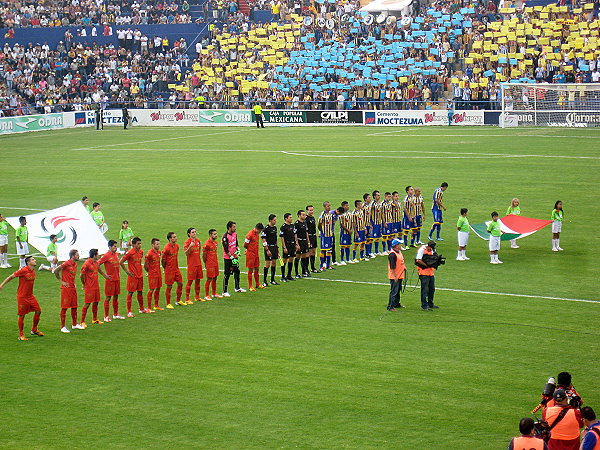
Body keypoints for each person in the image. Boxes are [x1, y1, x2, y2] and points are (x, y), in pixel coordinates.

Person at [0, 255, 44, 340]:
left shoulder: (33, 271)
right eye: (33, 260)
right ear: (28, 262)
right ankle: (21, 335)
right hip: (22, 297)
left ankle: (34, 330)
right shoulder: (23, 270)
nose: (35, 260)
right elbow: (11, 277)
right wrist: (1, 285)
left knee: (38, 311)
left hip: (30, 296)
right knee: (22, 315)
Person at [54, 249, 85, 333]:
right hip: (66, 289)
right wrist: (61, 281)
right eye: (77, 255)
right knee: (64, 307)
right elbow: (56, 270)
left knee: (74, 306)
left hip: (72, 288)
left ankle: (74, 324)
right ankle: (62, 326)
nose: (79, 256)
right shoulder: (66, 263)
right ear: (73, 256)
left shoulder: (75, 264)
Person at [120, 237, 150, 317]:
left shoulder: (141, 252)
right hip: (133, 276)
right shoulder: (129, 253)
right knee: (130, 293)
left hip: (140, 275)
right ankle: (129, 311)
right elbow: (121, 262)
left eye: (140, 243)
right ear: (133, 244)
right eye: (138, 244)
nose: (140, 245)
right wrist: (127, 272)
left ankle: (141, 309)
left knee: (140, 292)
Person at [80, 248, 108, 326]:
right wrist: (84, 284)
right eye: (97, 254)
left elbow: (99, 269)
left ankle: (95, 319)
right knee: (87, 303)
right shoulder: (86, 264)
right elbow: (81, 275)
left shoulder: (95, 263)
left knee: (96, 302)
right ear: (94, 255)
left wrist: (105, 276)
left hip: (96, 286)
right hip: (89, 287)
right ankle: (82, 321)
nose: (99, 255)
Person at [98, 240, 124, 321]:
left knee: (116, 297)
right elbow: (97, 264)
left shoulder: (116, 254)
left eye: (116, 246)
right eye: (114, 246)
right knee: (108, 298)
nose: (116, 248)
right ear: (109, 247)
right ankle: (106, 316)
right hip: (110, 280)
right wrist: (104, 275)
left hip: (117, 279)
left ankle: (115, 314)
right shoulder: (106, 256)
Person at [415, 241, 439, 311]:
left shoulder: (432, 250)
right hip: (423, 272)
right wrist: (427, 265)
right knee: (425, 289)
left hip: (431, 272)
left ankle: (430, 303)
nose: (431, 249)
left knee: (432, 288)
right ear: (428, 246)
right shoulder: (422, 250)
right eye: (430, 248)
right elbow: (418, 260)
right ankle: (424, 305)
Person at [222, 221, 244, 295]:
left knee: (237, 271)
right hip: (228, 258)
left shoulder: (235, 234)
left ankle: (237, 288)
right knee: (227, 274)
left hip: (235, 257)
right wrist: (231, 257)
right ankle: (225, 291)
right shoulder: (225, 237)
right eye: (234, 227)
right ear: (229, 227)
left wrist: (238, 250)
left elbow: (236, 244)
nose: (235, 228)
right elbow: (226, 249)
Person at [162, 231, 184, 308]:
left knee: (180, 283)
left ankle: (178, 300)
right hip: (169, 270)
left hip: (176, 269)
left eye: (176, 236)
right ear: (170, 239)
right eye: (174, 237)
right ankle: (168, 303)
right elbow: (163, 260)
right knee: (169, 286)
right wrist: (165, 268)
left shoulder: (177, 246)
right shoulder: (166, 248)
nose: (176, 238)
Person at [184, 227, 204, 303]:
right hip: (192, 265)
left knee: (198, 281)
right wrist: (190, 246)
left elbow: (199, 251)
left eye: (195, 232)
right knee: (190, 281)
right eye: (192, 232)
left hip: (198, 264)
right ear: (189, 234)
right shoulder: (187, 242)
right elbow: (186, 253)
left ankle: (197, 297)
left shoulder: (198, 241)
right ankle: (187, 299)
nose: (194, 233)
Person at [387, 238, 406, 311]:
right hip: (395, 276)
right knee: (394, 291)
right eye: (399, 244)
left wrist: (404, 267)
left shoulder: (399, 252)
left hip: (400, 275)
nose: (401, 245)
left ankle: (396, 303)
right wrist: (395, 276)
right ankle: (390, 306)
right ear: (396, 245)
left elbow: (401, 261)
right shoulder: (392, 254)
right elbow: (392, 267)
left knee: (398, 290)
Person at [260, 215, 279, 287]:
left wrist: (277, 247)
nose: (275, 221)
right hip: (269, 247)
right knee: (267, 264)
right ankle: (264, 281)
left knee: (274, 263)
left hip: (274, 247)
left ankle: (272, 279)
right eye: (274, 220)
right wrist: (267, 249)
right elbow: (263, 240)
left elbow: (275, 238)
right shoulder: (266, 229)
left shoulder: (274, 228)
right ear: (270, 220)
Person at [144, 238, 163, 310]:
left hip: (158, 273)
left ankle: (156, 305)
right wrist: (149, 272)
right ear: (153, 245)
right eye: (157, 244)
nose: (159, 246)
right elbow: (145, 265)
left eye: (159, 244)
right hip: (152, 274)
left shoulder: (159, 252)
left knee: (158, 289)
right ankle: (149, 307)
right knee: (151, 289)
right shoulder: (149, 254)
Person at [244, 223, 264, 291]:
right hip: (250, 254)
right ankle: (250, 286)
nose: (260, 232)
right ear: (257, 229)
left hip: (256, 254)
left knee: (257, 268)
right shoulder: (249, 235)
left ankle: (257, 284)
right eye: (260, 231)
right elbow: (245, 245)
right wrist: (248, 250)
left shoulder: (257, 234)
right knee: (250, 270)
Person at [203, 229, 221, 300]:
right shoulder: (207, 244)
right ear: (210, 235)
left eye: (216, 234)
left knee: (215, 277)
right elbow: (204, 255)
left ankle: (214, 293)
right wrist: (206, 263)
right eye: (214, 234)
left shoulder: (216, 243)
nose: (216, 235)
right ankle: (206, 295)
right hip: (210, 264)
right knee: (209, 279)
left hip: (215, 263)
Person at [279, 213, 298, 282]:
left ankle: (289, 275)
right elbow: (282, 237)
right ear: (286, 219)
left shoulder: (293, 226)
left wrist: (296, 244)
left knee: (291, 259)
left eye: (291, 217)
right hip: (287, 245)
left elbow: (295, 235)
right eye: (290, 217)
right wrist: (284, 247)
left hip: (293, 245)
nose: (291, 218)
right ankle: (283, 276)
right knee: (284, 260)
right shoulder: (283, 227)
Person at [294, 210, 310, 278]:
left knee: (304, 256)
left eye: (304, 215)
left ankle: (304, 272)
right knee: (298, 257)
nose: (304, 216)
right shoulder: (296, 224)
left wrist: (308, 241)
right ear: (299, 215)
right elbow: (295, 234)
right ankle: (296, 272)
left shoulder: (305, 222)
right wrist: (297, 243)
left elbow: (306, 232)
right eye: (303, 215)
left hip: (304, 241)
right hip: (299, 241)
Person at [318, 203, 334, 270]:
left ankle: (328, 265)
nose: (329, 207)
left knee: (329, 250)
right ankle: (321, 266)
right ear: (324, 207)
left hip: (329, 234)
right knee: (323, 250)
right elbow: (319, 224)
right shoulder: (323, 214)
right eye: (328, 206)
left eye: (330, 206)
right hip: (324, 235)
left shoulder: (330, 214)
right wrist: (321, 232)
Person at [305, 205, 319, 273]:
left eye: (312, 210)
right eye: (310, 210)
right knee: (309, 253)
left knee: (313, 252)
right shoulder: (306, 219)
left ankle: (313, 267)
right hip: (309, 237)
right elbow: (306, 230)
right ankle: (306, 269)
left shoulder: (313, 218)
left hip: (314, 236)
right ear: (307, 211)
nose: (311, 211)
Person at [370, 191, 384, 256]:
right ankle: (369, 252)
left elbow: (381, 213)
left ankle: (376, 251)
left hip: (379, 222)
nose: (379, 196)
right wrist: (370, 223)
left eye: (379, 195)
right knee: (372, 237)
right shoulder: (372, 204)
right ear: (374, 196)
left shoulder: (379, 203)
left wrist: (383, 221)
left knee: (377, 237)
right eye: (378, 195)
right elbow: (369, 214)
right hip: (374, 223)